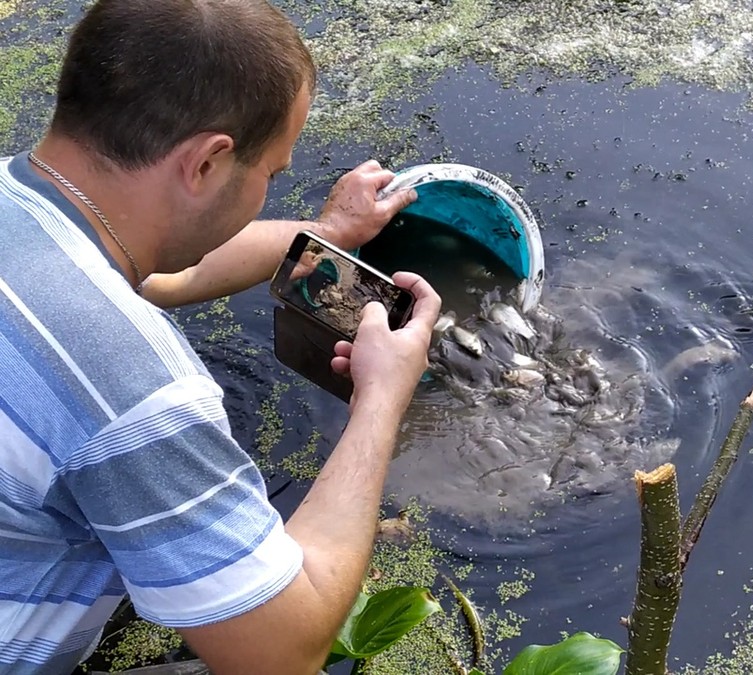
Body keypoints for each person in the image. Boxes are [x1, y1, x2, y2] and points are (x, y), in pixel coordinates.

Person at [0, 1, 441, 674]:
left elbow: (165, 275)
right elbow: (283, 651)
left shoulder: (29, 205)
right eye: (271, 174)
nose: (270, 187)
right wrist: (380, 398)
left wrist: (327, 234)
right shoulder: (134, 390)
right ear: (207, 162)